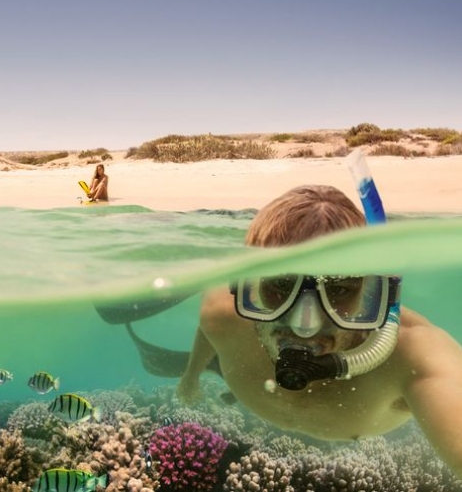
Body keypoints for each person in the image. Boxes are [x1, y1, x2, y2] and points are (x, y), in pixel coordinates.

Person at [177, 184, 462, 475]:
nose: (305, 326)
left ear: (371, 292)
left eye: (338, 289)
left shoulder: (415, 357)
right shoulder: (220, 313)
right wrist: (190, 377)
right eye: (281, 285)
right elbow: (209, 330)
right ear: (250, 283)